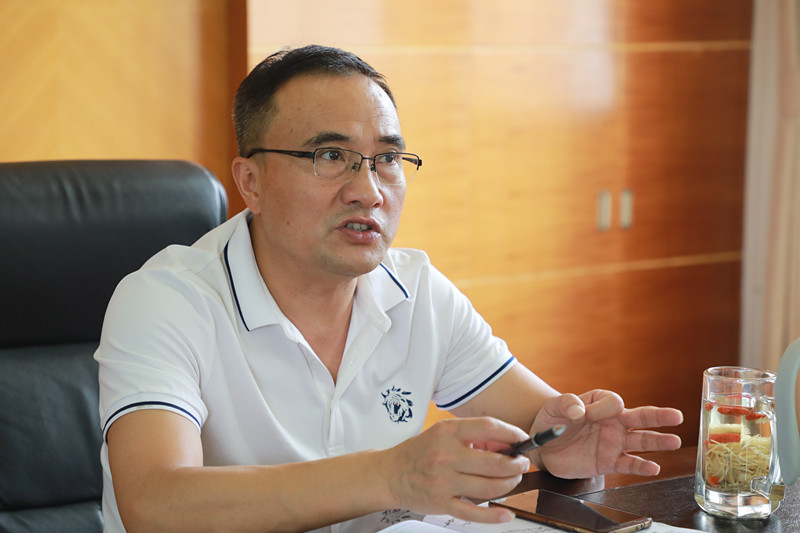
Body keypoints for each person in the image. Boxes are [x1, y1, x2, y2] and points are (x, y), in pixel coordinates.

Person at [95, 44, 683, 533]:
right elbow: (156, 504)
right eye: (331, 155)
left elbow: (543, 425)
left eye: (387, 158)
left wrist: (561, 451)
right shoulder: (166, 300)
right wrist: (390, 475)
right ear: (251, 181)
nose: (369, 191)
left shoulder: (417, 290)